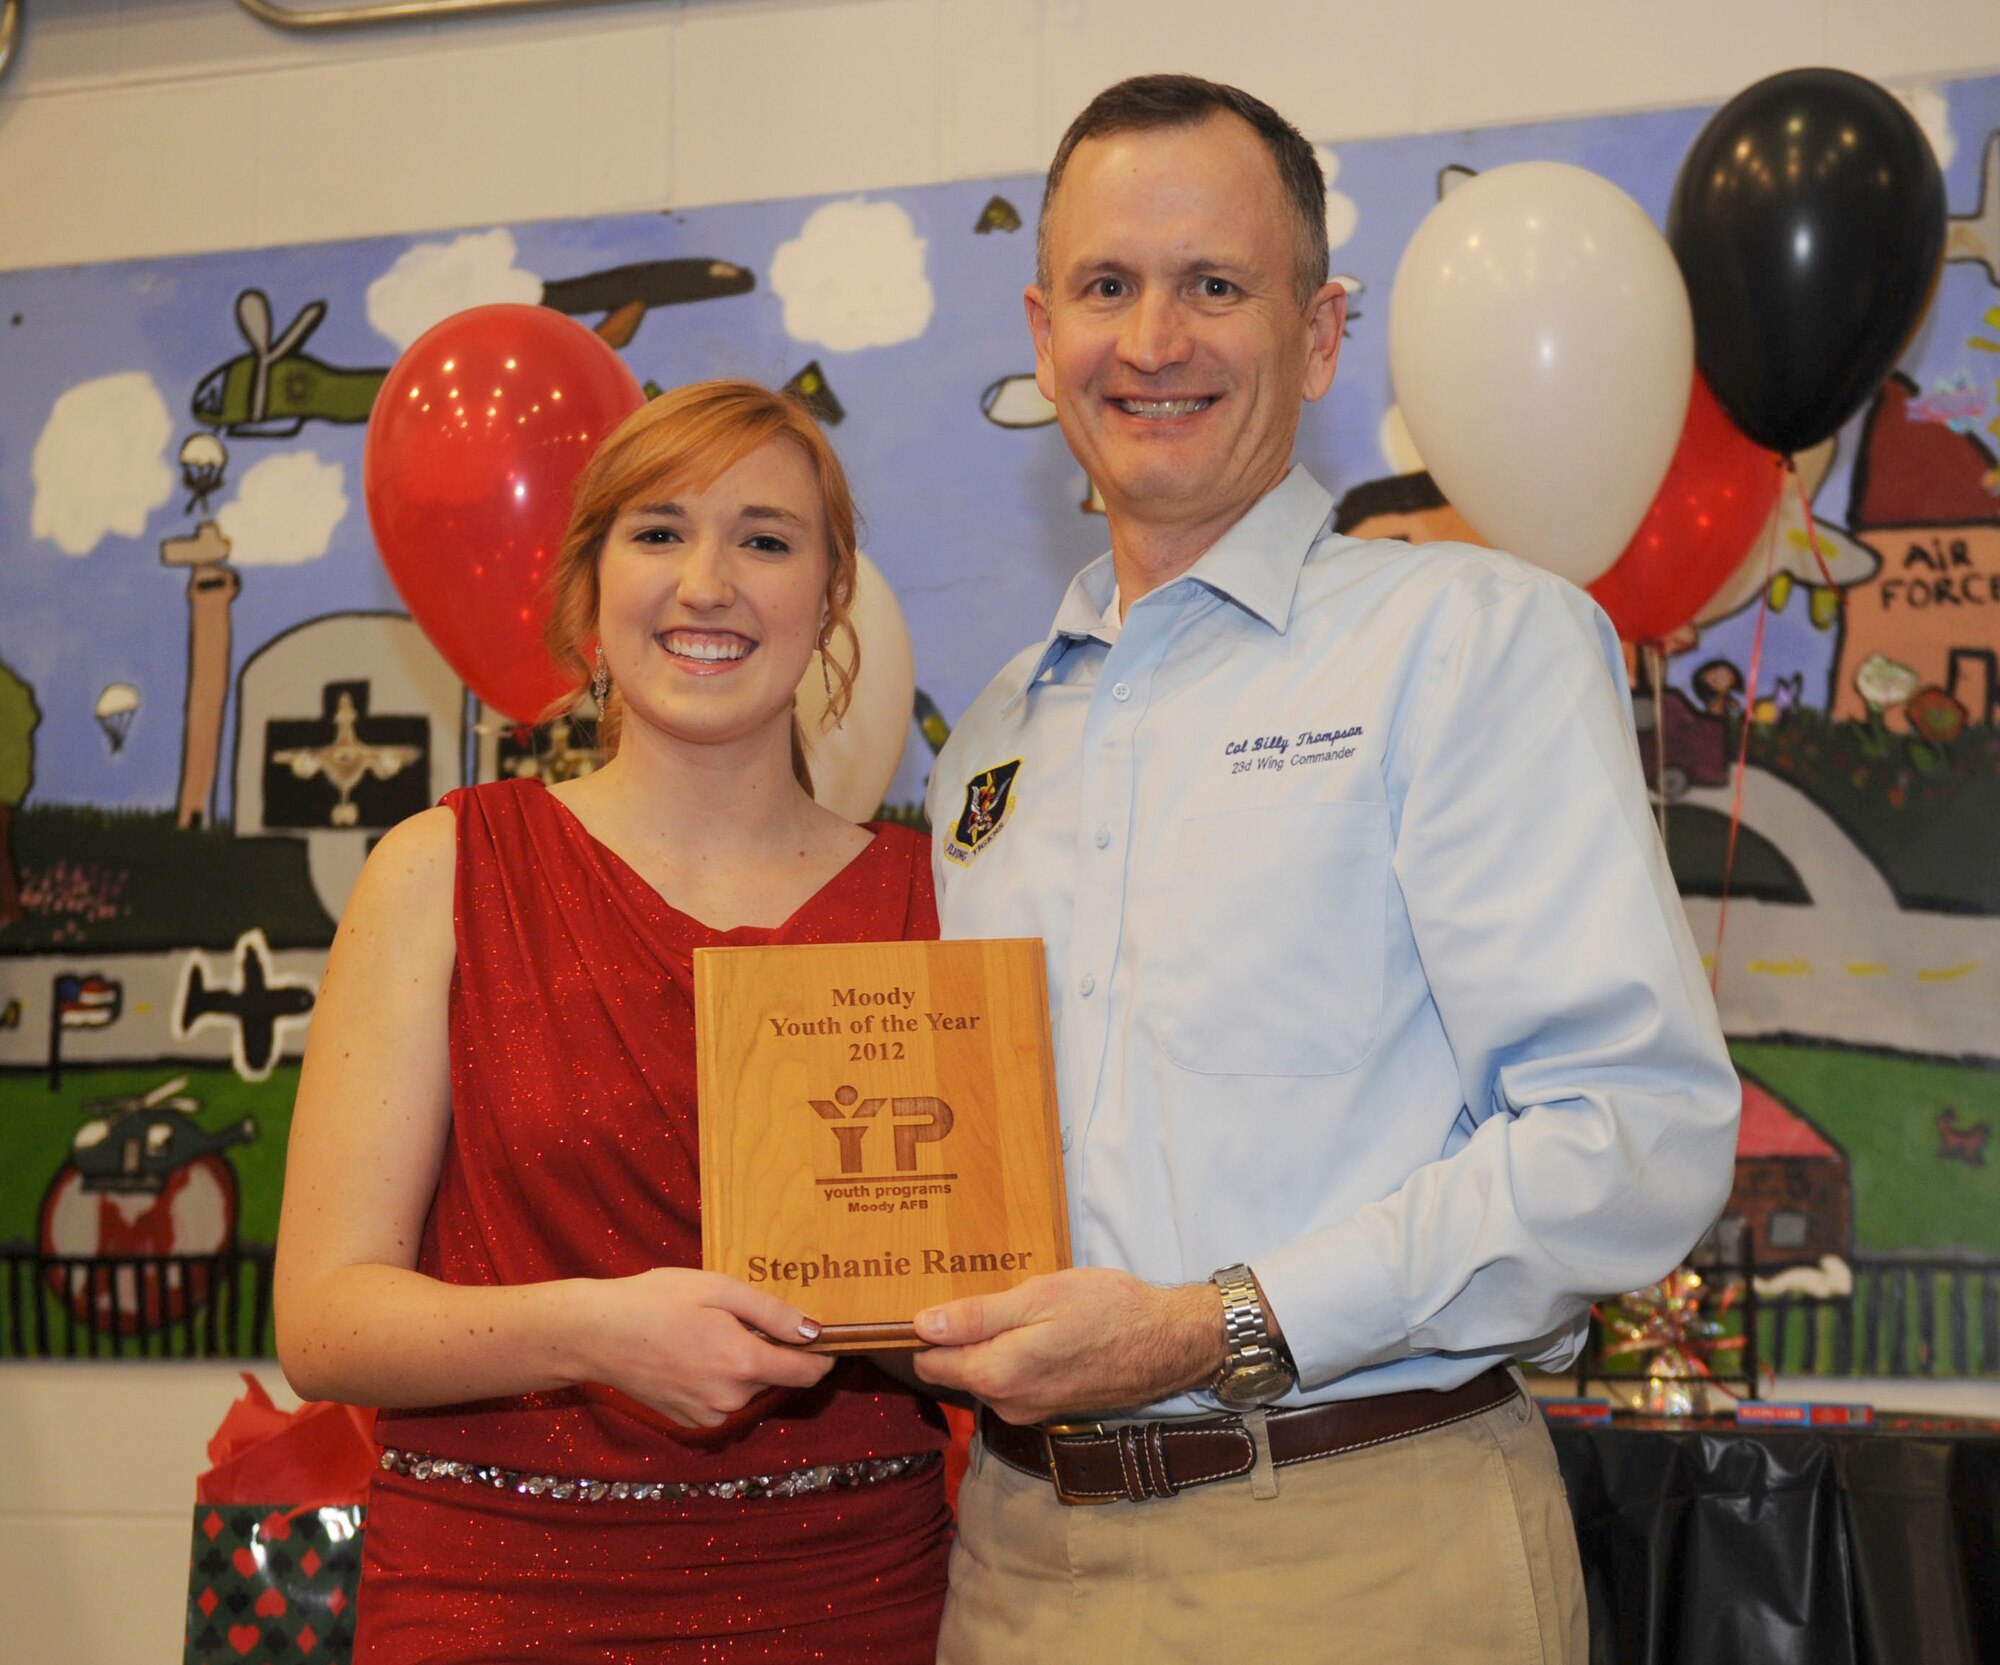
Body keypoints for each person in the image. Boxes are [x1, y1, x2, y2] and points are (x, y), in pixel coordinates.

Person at [911, 75, 1742, 1663]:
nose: (1153, 339)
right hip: (1016, 1562)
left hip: (1365, 1540)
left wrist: (1206, 1325)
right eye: (1107, 286)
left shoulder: (1473, 643)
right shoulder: (997, 737)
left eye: (1216, 283)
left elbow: (1630, 1134)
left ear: (1320, 333)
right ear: (1040, 329)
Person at [275, 381, 951, 1663]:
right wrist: (589, 1329)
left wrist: (938, 1335)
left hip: (853, 1601)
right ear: (587, 591)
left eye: (764, 538)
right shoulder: (443, 870)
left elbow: (972, 1289)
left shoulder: (930, 903)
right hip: (496, 1600)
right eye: (656, 531)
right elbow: (324, 1320)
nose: (708, 581)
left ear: (829, 599)